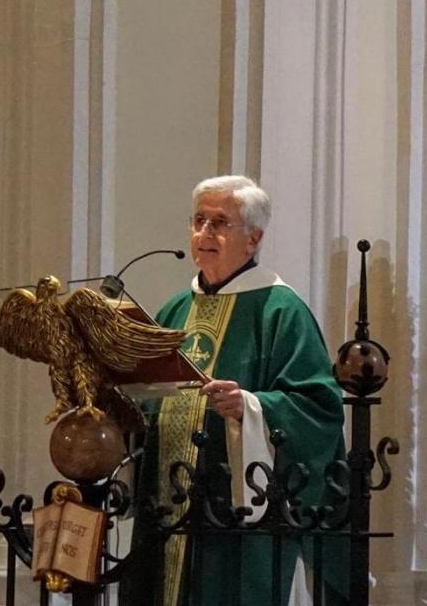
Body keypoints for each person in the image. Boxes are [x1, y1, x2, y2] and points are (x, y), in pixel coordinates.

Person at [124, 176, 348, 606]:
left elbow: (318, 407)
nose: (204, 233)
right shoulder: (174, 309)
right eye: (199, 221)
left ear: (254, 238)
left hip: (237, 510)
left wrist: (249, 405)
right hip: (169, 501)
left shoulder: (281, 310)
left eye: (220, 223)